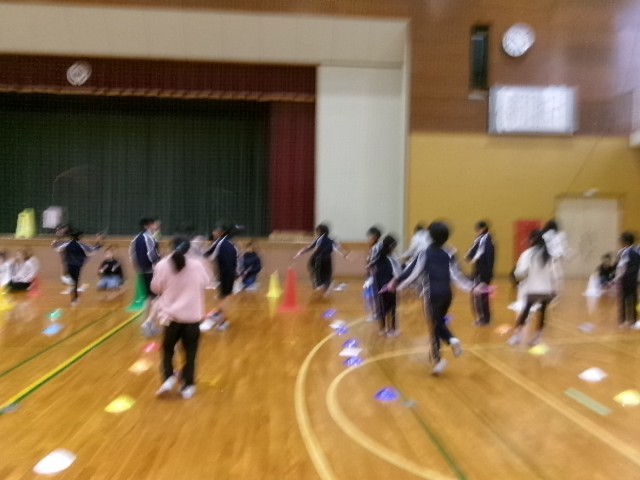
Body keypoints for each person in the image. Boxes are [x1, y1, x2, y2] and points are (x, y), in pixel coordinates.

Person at [390, 222, 475, 375]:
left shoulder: (425, 254)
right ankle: (449, 342)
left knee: (434, 326)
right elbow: (457, 275)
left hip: (432, 295)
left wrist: (396, 283)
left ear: (430, 236)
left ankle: (441, 356)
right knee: (438, 322)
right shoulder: (450, 253)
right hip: (447, 295)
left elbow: (411, 272)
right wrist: (473, 287)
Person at [152, 237, 211, 399]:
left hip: (171, 318)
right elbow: (206, 282)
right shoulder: (197, 265)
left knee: (167, 351)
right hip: (192, 318)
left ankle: (168, 378)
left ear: (171, 247)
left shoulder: (162, 265)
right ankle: (188, 386)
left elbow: (155, 288)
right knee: (190, 353)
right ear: (188, 249)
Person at [507, 230, 557, 346]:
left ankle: (517, 336)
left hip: (533, 289)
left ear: (531, 240)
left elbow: (520, 272)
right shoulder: (548, 255)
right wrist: (554, 288)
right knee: (542, 314)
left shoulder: (528, 254)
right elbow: (554, 273)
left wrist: (517, 278)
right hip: (546, 289)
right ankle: (538, 337)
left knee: (525, 312)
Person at [294, 223, 349, 294]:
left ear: (320, 231)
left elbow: (309, 248)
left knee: (317, 278)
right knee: (326, 278)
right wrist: (345, 255)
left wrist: (299, 254)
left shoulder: (319, 240)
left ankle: (326, 288)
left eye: (317, 231)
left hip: (318, 261)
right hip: (328, 262)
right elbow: (338, 249)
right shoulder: (331, 241)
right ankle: (336, 287)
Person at [202, 223, 238, 330]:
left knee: (224, 298)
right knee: (224, 297)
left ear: (220, 233)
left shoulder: (220, 243)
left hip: (226, 274)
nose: (213, 233)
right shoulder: (229, 243)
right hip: (229, 274)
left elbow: (206, 254)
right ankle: (220, 316)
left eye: (215, 231)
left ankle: (224, 322)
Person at [54, 230, 103, 306]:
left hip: (70, 265)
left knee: (71, 281)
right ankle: (74, 299)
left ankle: (74, 298)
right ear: (79, 237)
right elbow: (93, 250)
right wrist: (98, 242)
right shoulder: (82, 245)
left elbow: (56, 247)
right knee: (75, 282)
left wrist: (58, 237)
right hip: (77, 266)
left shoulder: (67, 244)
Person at [465, 220, 495, 326]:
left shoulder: (481, 241)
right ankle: (486, 318)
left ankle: (482, 319)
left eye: (477, 229)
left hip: (480, 274)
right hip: (486, 274)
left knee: (478, 298)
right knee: (484, 297)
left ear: (481, 229)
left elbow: (470, 256)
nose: (476, 231)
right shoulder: (490, 241)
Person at [374, 235, 402, 337]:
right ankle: (389, 329)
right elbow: (396, 273)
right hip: (388, 286)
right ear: (390, 246)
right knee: (389, 308)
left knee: (386, 308)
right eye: (394, 246)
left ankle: (386, 329)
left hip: (384, 286)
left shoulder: (381, 257)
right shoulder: (387, 259)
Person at [129, 217, 161, 299]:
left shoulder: (136, 238)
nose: (154, 226)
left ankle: (148, 307)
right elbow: (151, 254)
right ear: (146, 226)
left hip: (141, 271)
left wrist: (137, 268)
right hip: (150, 270)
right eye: (152, 224)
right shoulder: (148, 238)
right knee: (155, 296)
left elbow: (132, 255)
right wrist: (158, 263)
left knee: (148, 296)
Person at [615, 232, 640, 328]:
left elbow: (621, 267)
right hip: (634, 279)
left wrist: (616, 279)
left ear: (625, 241)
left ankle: (623, 320)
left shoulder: (623, 252)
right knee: (633, 300)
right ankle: (633, 320)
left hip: (625, 279)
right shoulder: (637, 251)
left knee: (623, 300)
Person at [365, 226, 383, 320]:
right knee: (373, 294)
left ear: (375, 237)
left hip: (375, 274)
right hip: (373, 274)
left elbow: (373, 262)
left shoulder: (377, 247)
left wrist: (370, 269)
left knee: (374, 295)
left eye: (370, 237)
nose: (368, 239)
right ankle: (376, 312)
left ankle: (376, 313)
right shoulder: (376, 247)